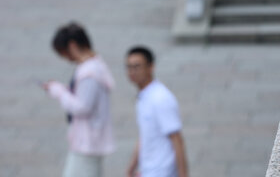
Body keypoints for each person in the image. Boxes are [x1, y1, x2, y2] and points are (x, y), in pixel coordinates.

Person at [43, 22, 116, 177]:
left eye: (63, 52)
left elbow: (82, 107)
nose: (65, 57)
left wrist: (59, 92)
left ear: (72, 45)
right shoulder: (93, 65)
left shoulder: (89, 72)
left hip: (87, 142)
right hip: (87, 141)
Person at [126, 46, 189, 177]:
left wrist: (183, 174)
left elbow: (177, 139)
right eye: (129, 67)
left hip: (162, 171)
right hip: (148, 170)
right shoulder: (144, 96)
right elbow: (145, 135)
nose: (132, 71)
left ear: (151, 67)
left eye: (137, 67)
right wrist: (132, 166)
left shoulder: (161, 98)